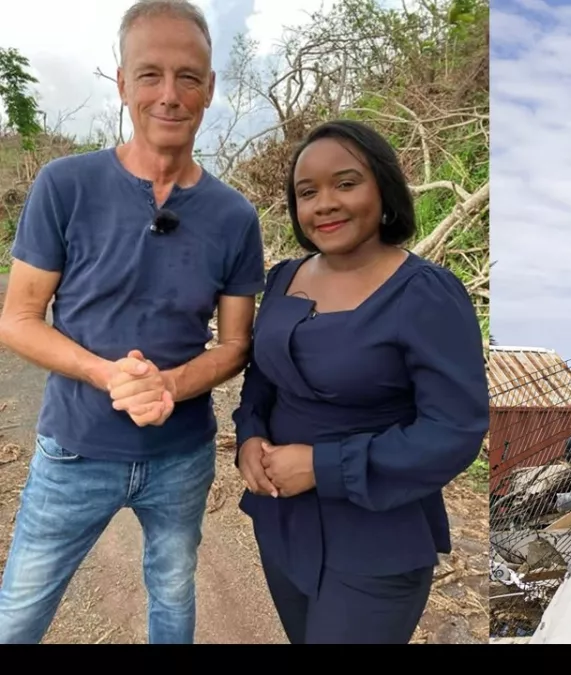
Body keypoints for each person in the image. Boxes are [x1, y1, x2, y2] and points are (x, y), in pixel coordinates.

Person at [0, 0, 264, 644]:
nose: (169, 95)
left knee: (173, 599)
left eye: (188, 77)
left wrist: (169, 386)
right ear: (122, 83)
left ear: (209, 89)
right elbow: (18, 319)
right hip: (74, 451)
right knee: (19, 613)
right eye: (150, 75)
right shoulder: (65, 186)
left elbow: (235, 344)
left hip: (181, 457)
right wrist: (106, 373)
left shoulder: (234, 217)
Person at [231, 119, 488, 644]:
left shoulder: (426, 294)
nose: (324, 203)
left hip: (374, 541)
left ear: (384, 189)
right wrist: (249, 436)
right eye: (308, 192)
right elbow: (263, 377)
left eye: (346, 183)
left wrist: (323, 466)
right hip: (281, 522)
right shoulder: (284, 278)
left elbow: (454, 429)